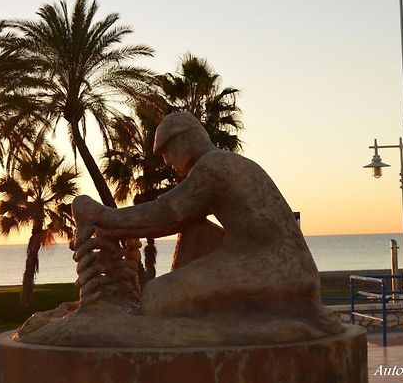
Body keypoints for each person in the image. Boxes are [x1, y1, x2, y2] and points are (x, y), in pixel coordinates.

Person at [73, 112, 342, 335]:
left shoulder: (213, 166)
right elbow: (180, 222)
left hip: (273, 269)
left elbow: (167, 213)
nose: (167, 162)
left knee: (156, 296)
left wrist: (102, 215)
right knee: (193, 232)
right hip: (283, 266)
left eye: (166, 153)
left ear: (181, 142)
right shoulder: (232, 162)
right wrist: (115, 229)